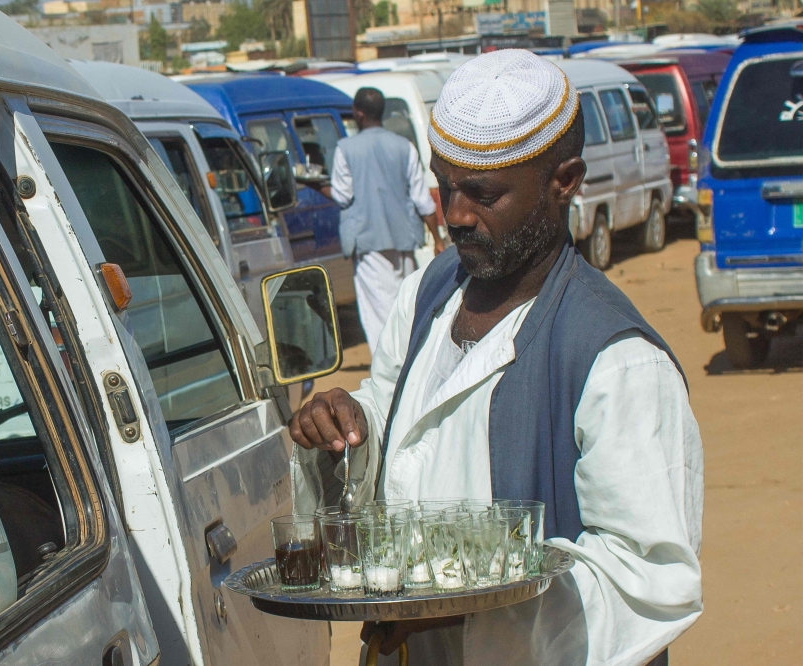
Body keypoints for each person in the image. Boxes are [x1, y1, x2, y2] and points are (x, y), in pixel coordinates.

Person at [289, 50, 703, 666]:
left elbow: (649, 578)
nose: (455, 214)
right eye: (445, 184)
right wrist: (349, 425)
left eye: (482, 193)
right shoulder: (428, 293)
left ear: (564, 181)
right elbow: (402, 411)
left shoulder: (616, 360)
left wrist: (470, 603)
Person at [311, 87, 443, 354]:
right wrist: (438, 240)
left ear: (358, 113)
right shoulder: (404, 147)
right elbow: (422, 200)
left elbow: (343, 196)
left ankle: (390, 373)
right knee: (405, 307)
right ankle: (410, 361)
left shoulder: (345, 149)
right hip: (403, 241)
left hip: (369, 244)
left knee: (379, 315)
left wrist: (316, 186)